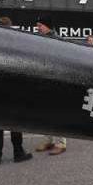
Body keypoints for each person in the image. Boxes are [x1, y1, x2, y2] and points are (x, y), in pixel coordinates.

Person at [0, 17, 32, 164]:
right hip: (11, 88)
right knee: (15, 122)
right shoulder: (15, 44)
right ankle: (18, 153)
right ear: (9, 27)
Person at [34, 18, 67, 155]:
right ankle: (49, 140)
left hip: (56, 80)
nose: (38, 28)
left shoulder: (57, 40)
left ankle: (61, 143)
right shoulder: (39, 39)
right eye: (37, 25)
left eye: (40, 25)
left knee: (57, 112)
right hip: (44, 79)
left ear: (47, 25)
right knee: (45, 112)